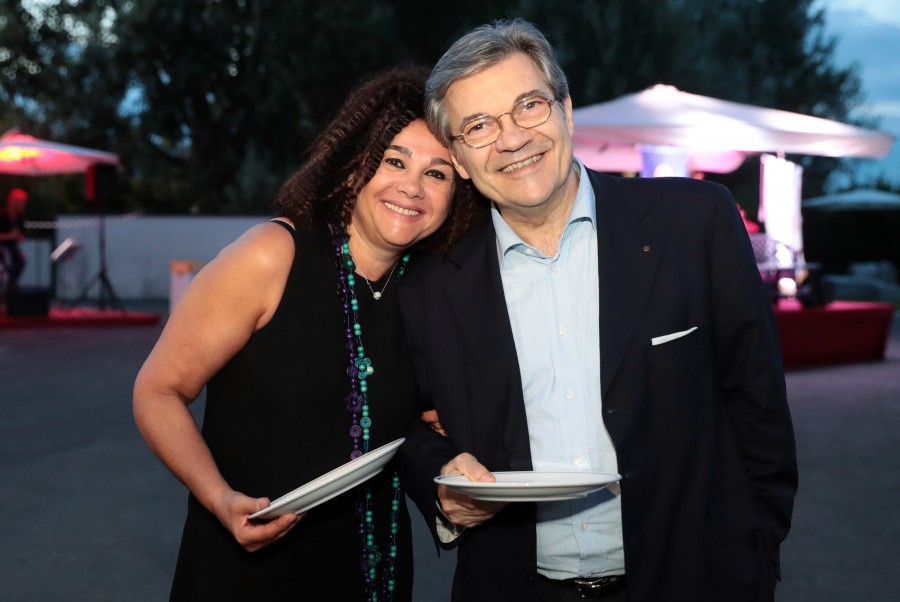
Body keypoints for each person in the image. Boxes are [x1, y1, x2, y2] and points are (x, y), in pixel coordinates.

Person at [397, 20, 798, 602]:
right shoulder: (429, 285)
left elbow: (759, 404)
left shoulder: (696, 224)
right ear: (458, 159)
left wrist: (754, 554)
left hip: (693, 580)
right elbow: (400, 421)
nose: (512, 139)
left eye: (529, 106)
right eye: (479, 126)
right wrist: (439, 481)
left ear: (566, 111)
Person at [132, 65, 480, 601]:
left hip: (373, 575)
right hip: (249, 569)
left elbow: (411, 423)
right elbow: (158, 391)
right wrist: (219, 498)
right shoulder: (273, 256)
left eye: (437, 174)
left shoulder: (428, 291)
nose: (412, 187)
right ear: (353, 164)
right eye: (394, 160)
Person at [0, 188, 28, 294]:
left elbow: (22, 235)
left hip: (12, 248)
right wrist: (10, 236)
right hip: (2, 248)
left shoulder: (19, 218)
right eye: (20, 202)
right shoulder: (2, 217)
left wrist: (19, 237)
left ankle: (11, 284)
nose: (22, 205)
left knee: (21, 260)